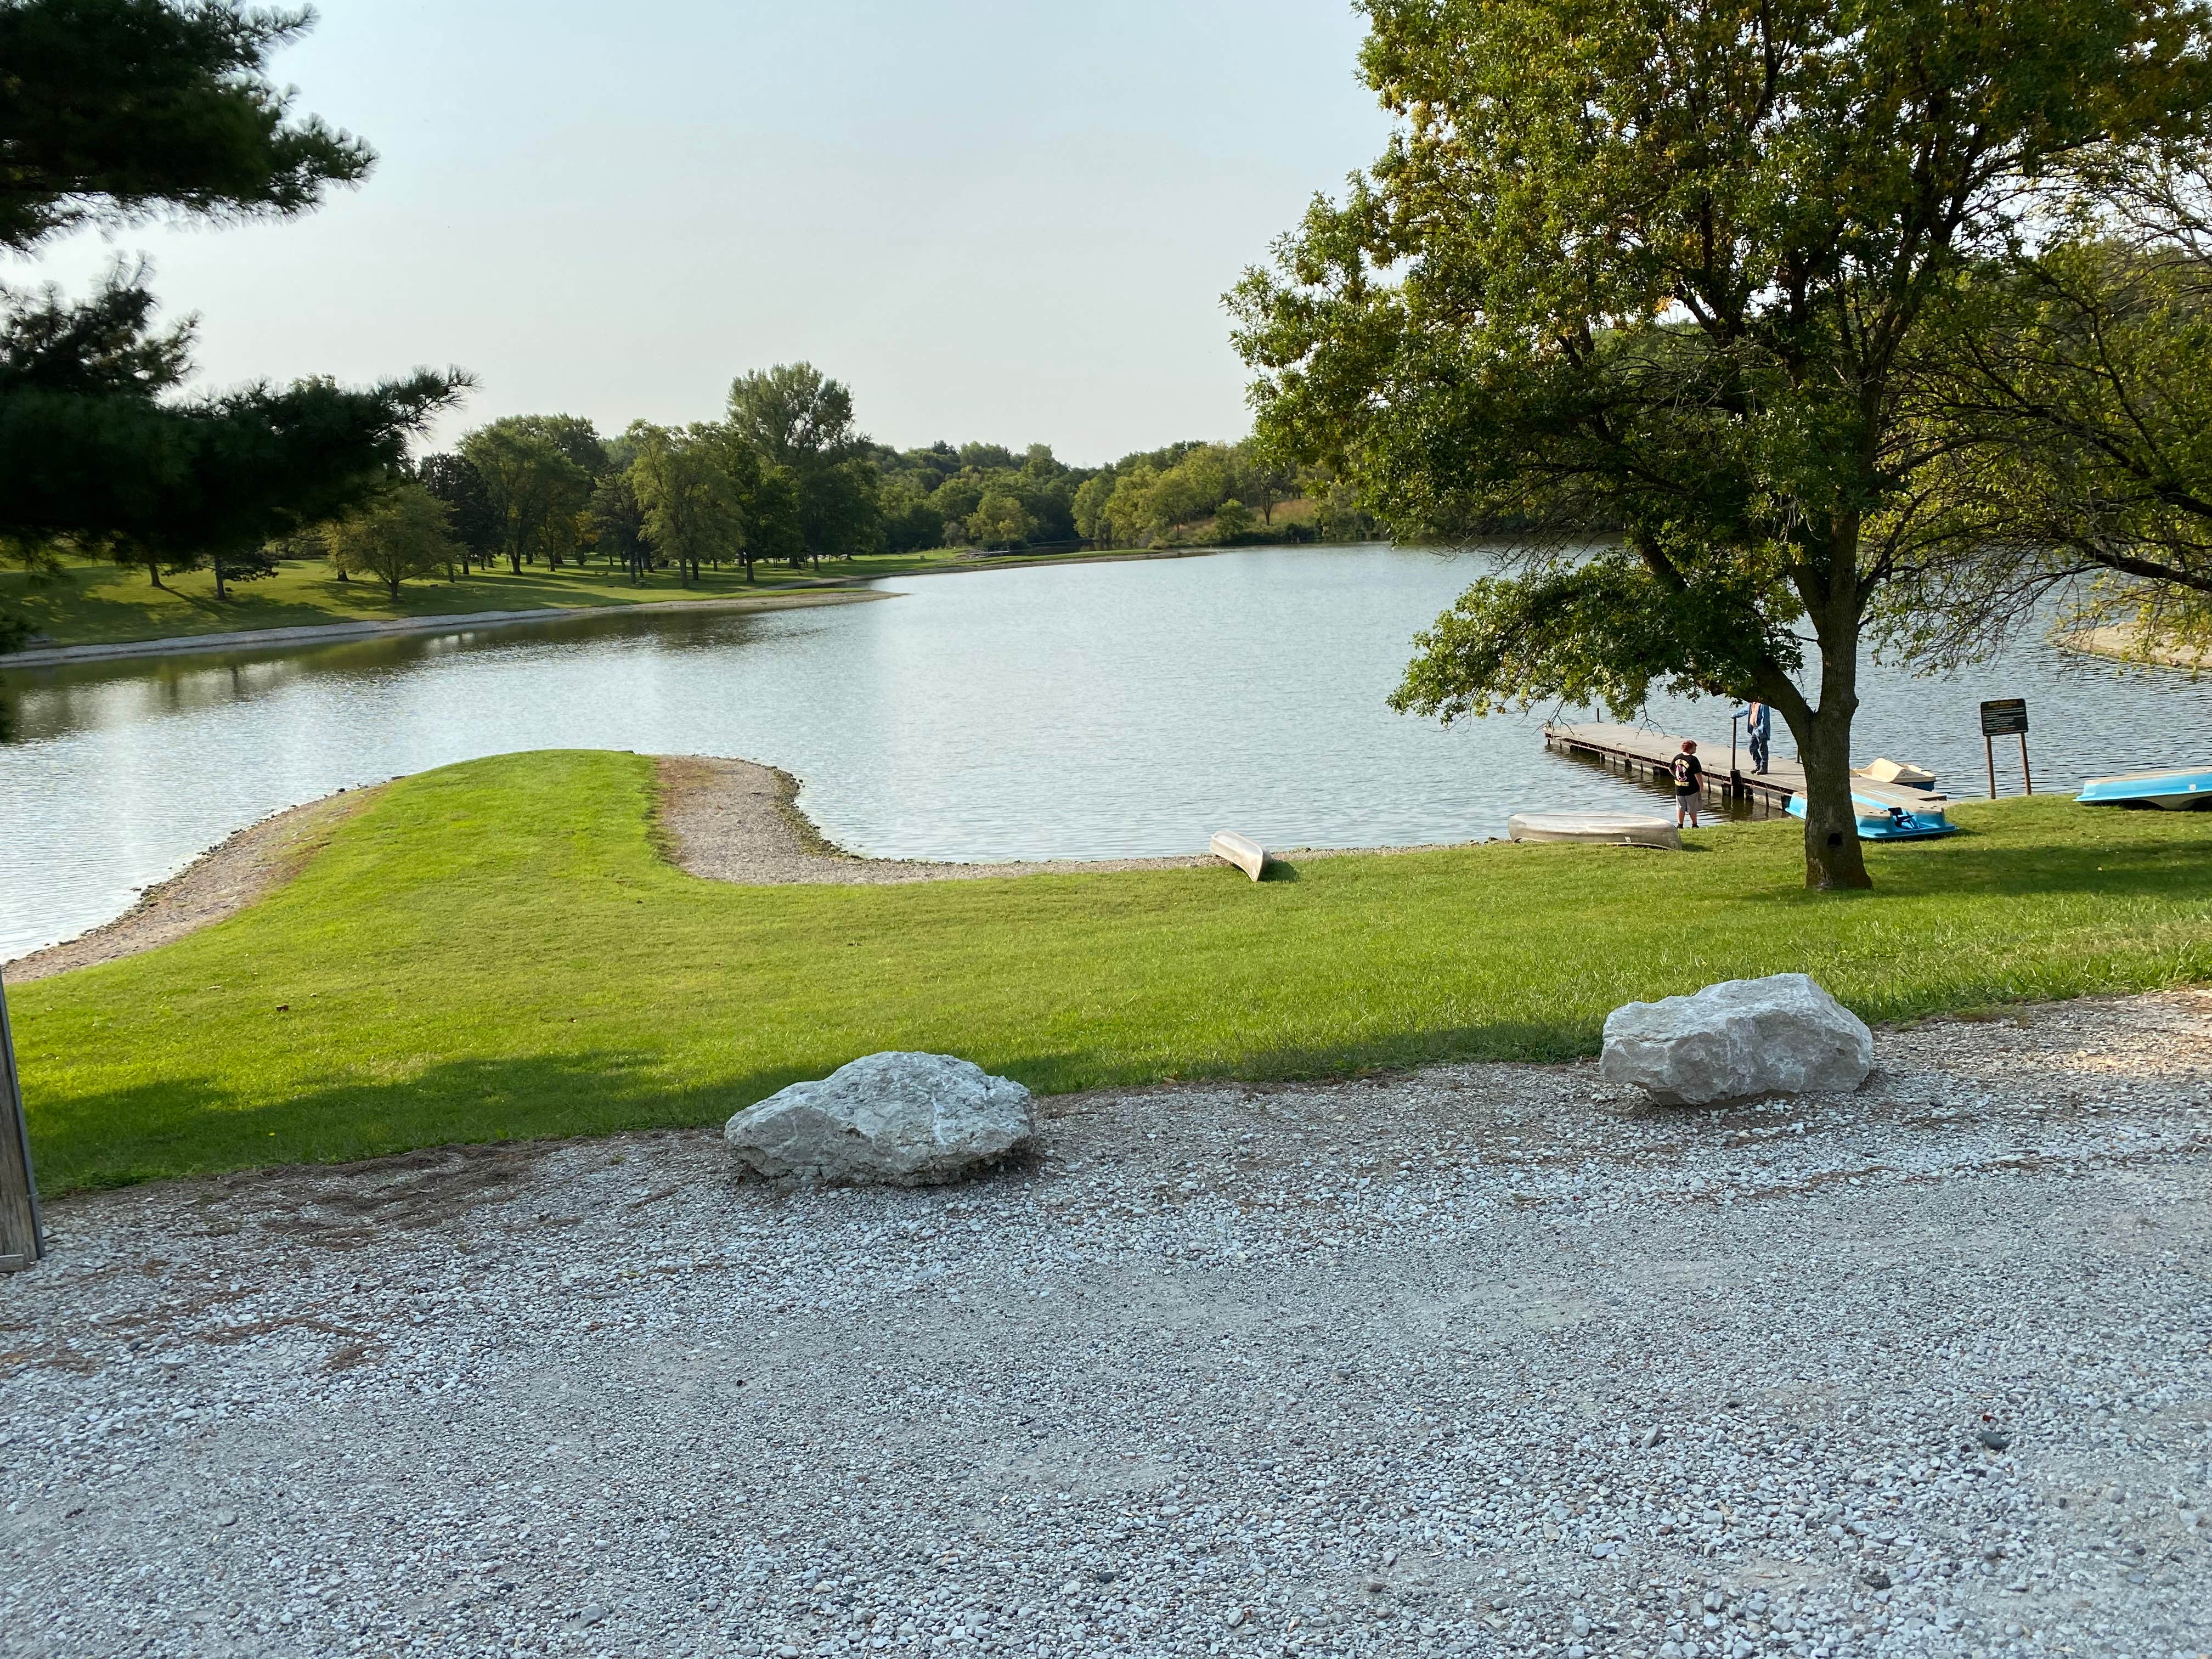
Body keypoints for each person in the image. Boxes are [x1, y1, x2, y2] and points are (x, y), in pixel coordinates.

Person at [1671, 739, 1705, 827]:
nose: (1696, 749)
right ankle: (1694, 824)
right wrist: (1701, 786)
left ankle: (1680, 825)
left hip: (1679, 787)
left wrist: (1676, 776)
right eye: (1695, 747)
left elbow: (1671, 768)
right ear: (1690, 749)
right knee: (1692, 807)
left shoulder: (1677, 757)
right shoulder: (1693, 760)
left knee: (1680, 807)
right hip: (1691, 789)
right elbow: (1698, 774)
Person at [1746, 698, 1773, 774]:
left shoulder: (1764, 704)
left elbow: (1766, 719)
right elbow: (1746, 710)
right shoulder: (1753, 704)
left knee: (1763, 749)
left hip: (1762, 731)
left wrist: (1761, 729)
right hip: (1755, 730)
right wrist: (1736, 715)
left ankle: (1764, 768)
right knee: (1752, 748)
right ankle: (1758, 765)